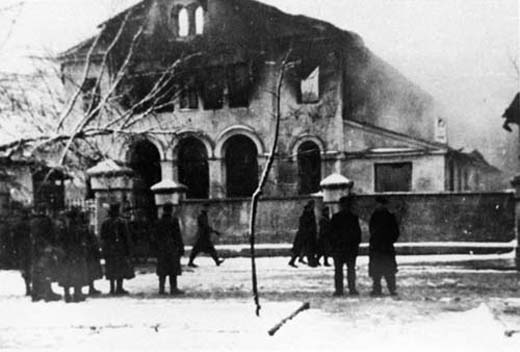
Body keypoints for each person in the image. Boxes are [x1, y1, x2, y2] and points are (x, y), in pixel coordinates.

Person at [329, 195, 361, 296]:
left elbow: (331, 233)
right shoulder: (353, 218)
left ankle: (339, 290)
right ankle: (351, 289)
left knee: (339, 270)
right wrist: (355, 245)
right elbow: (357, 234)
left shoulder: (336, 218)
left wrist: (333, 246)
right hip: (349, 248)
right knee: (350, 270)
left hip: (339, 249)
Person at [100, 203, 135, 295]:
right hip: (120, 249)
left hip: (110, 249)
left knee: (111, 268)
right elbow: (126, 237)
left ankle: (112, 288)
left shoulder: (105, 222)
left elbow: (102, 237)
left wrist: (104, 249)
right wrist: (128, 249)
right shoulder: (122, 222)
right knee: (120, 268)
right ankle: (119, 288)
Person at [30, 203, 62, 302]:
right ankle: (47, 292)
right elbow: (51, 234)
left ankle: (35, 293)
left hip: (35, 248)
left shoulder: (33, 221)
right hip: (45, 247)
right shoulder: (46, 221)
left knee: (36, 270)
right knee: (46, 270)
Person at [369, 196, 400, 296]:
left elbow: (395, 232)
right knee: (381, 270)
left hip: (381, 246)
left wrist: (388, 240)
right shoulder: (383, 216)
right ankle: (378, 288)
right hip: (382, 247)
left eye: (380, 204)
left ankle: (390, 288)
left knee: (387, 270)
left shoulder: (386, 216)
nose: (379, 206)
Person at [56, 209, 89, 303]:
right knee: (77, 274)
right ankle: (77, 293)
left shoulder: (63, 228)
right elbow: (82, 241)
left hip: (66, 255)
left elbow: (59, 241)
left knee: (66, 274)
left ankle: (67, 294)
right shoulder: (78, 228)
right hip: (76, 254)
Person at [152, 203, 185, 295]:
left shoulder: (158, 222)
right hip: (172, 247)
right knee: (173, 269)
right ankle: (173, 288)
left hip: (161, 248)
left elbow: (155, 237)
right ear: (171, 210)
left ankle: (161, 288)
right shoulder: (174, 221)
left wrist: (155, 248)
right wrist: (181, 247)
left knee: (162, 269)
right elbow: (177, 235)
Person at [188, 203, 224, 267]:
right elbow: (205, 226)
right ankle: (190, 262)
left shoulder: (204, 216)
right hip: (202, 237)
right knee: (197, 250)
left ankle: (217, 261)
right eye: (206, 208)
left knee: (209, 249)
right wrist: (214, 231)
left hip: (204, 236)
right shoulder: (201, 216)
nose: (208, 209)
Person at [288, 200, 318, 268]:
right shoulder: (306, 215)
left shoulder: (310, 213)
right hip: (304, 235)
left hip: (307, 234)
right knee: (301, 248)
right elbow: (305, 225)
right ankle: (294, 261)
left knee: (304, 249)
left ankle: (304, 260)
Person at [11, 206, 33, 296]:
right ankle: (31, 286)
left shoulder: (17, 224)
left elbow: (14, 238)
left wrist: (15, 248)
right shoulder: (31, 223)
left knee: (24, 267)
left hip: (22, 248)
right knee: (31, 266)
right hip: (31, 246)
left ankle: (28, 287)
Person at [82, 211, 103, 296]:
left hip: (90, 252)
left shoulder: (88, 228)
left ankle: (91, 287)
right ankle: (89, 288)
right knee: (89, 271)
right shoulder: (85, 229)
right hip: (88, 253)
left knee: (91, 271)